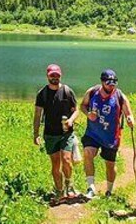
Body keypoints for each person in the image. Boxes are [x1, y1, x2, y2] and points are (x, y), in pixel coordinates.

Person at [80, 69, 134, 198]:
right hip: (93, 132)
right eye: (109, 82)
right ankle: (91, 187)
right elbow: (82, 105)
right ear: (102, 82)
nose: (112, 85)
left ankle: (109, 190)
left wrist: (130, 119)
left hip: (111, 136)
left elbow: (129, 113)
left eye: (114, 82)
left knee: (110, 164)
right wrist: (88, 114)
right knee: (88, 153)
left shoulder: (120, 96)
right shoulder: (92, 92)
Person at [33, 64, 79, 204]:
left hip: (66, 133)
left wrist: (71, 120)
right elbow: (37, 115)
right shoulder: (42, 94)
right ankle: (59, 191)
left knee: (66, 160)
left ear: (61, 75)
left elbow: (76, 110)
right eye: (52, 75)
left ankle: (69, 185)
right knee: (55, 164)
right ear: (47, 76)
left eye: (57, 75)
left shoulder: (67, 91)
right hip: (50, 134)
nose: (55, 78)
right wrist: (36, 134)